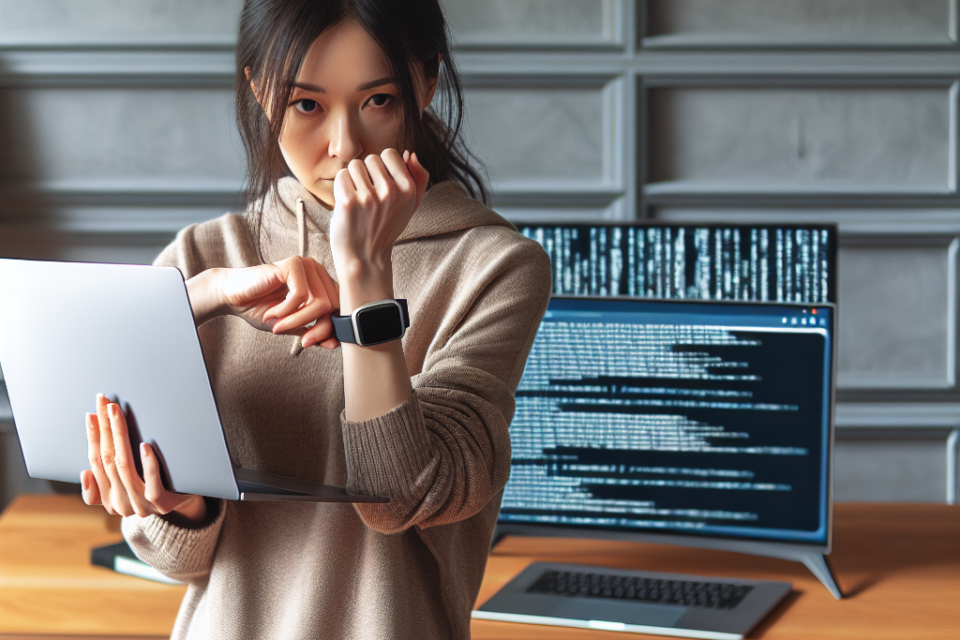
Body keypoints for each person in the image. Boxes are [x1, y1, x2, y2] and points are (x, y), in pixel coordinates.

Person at [77, 0, 551, 638]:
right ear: (258, 89)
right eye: (306, 105)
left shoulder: (494, 267)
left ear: (428, 80)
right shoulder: (200, 262)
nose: (344, 144)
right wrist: (180, 504)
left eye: (378, 100)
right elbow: (174, 556)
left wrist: (364, 275)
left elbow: (400, 496)